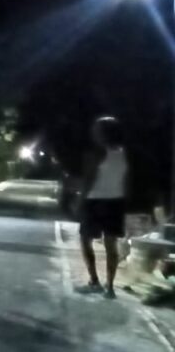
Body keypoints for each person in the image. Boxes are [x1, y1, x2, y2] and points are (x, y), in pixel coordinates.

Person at [76, 116, 127, 300]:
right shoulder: (124, 153)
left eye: (96, 129)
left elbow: (88, 180)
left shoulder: (95, 153)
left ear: (103, 133)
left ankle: (94, 281)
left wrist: (80, 201)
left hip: (95, 202)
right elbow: (127, 180)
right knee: (111, 245)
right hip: (116, 202)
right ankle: (110, 287)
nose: (93, 132)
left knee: (85, 240)